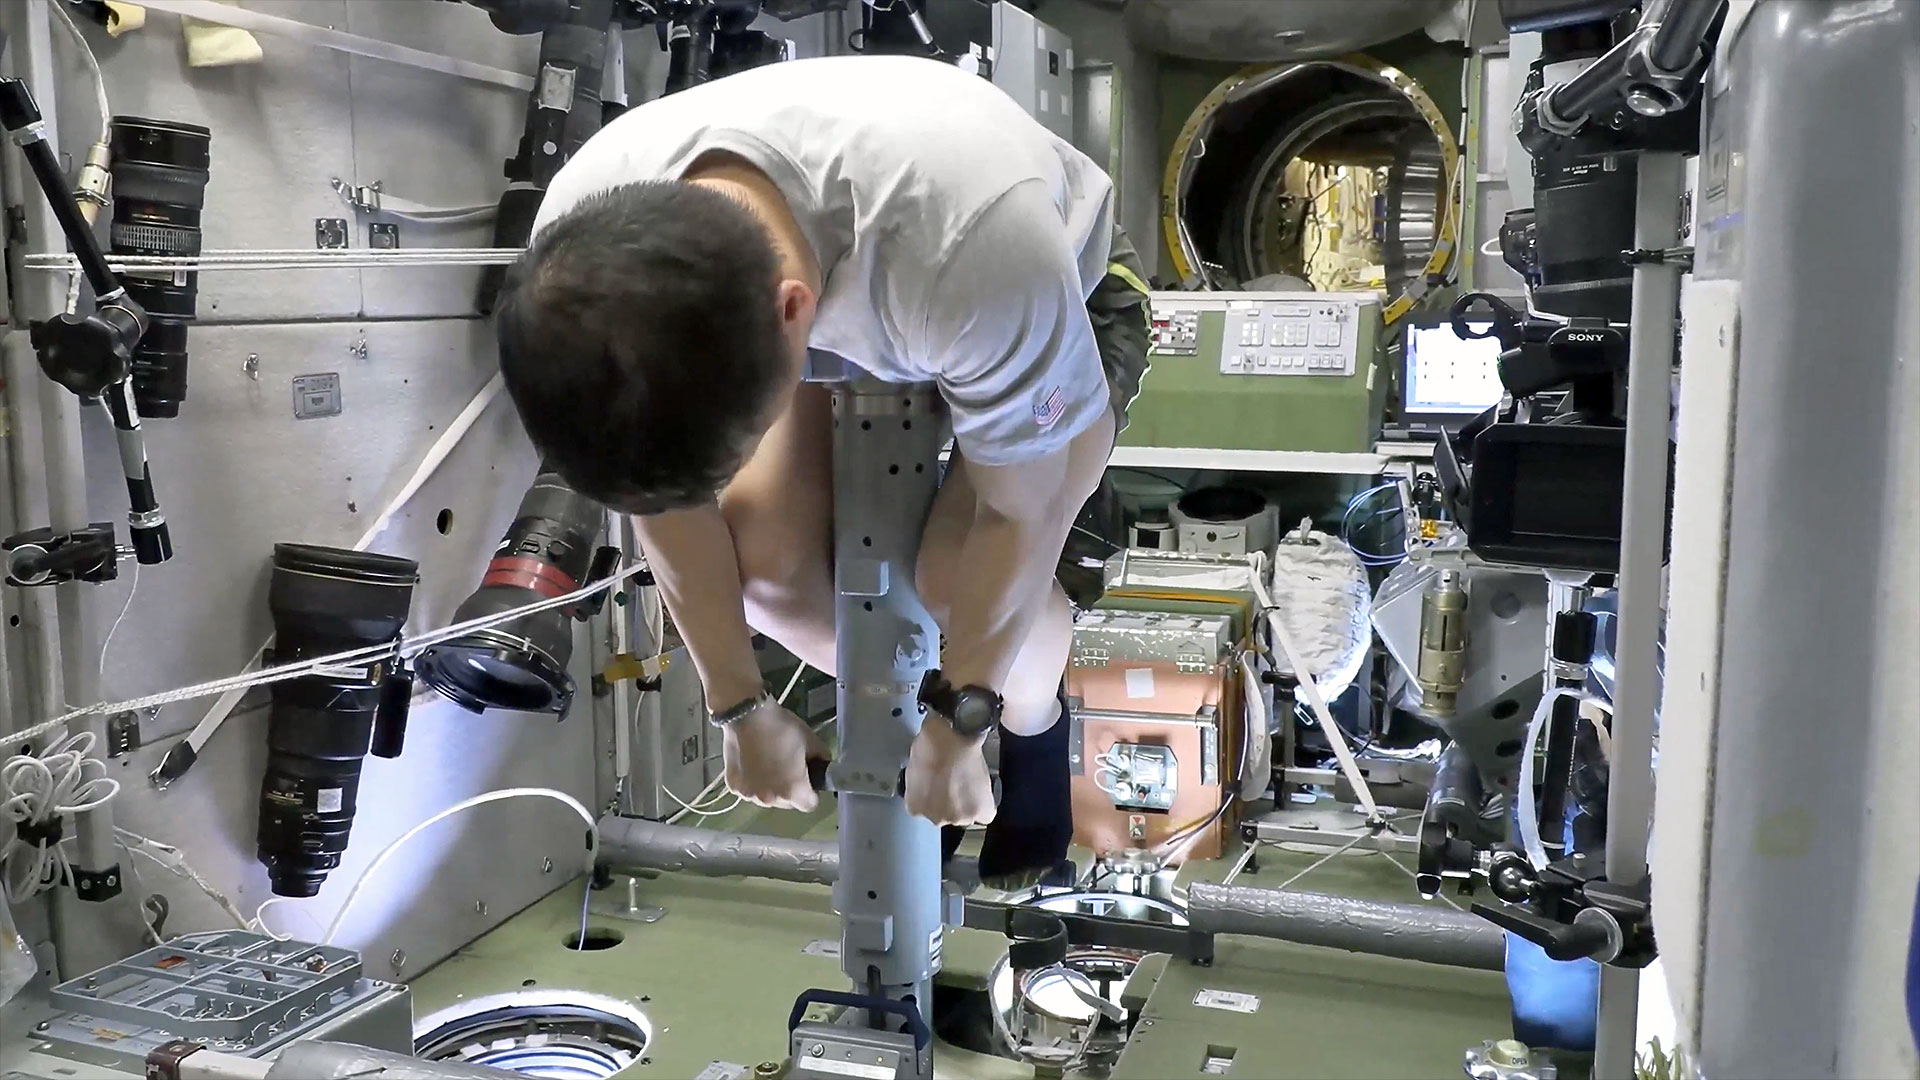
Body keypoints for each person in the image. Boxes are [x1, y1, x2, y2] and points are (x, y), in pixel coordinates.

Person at [494, 54, 1150, 888]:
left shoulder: (979, 252)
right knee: (769, 573)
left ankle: (1034, 726)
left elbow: (1020, 513)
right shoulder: (580, 255)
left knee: (954, 581)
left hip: (1053, 285)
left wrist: (961, 721)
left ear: (795, 312)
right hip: (852, 272)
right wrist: (737, 705)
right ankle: (937, 725)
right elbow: (661, 498)